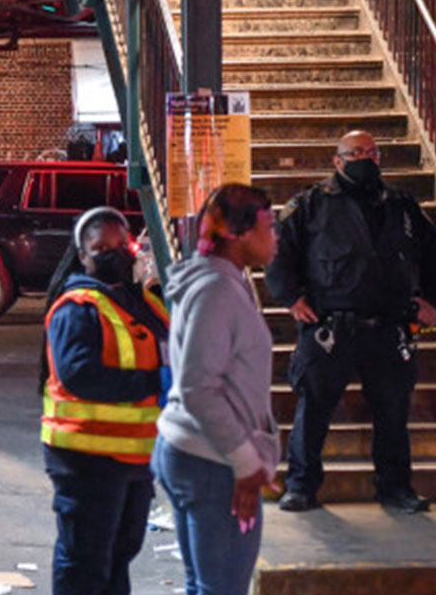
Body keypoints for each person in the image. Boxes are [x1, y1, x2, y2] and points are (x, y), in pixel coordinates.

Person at [265, 130, 436, 514]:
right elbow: (277, 254)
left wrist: (434, 301)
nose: (364, 159)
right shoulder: (311, 205)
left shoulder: (401, 206)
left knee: (393, 414)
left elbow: (433, 255)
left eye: (371, 152)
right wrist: (290, 298)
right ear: (337, 160)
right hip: (330, 326)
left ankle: (396, 488)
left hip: (388, 325)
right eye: (355, 153)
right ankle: (301, 486)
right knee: (313, 412)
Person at [154, 184, 281, 595]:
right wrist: (244, 460)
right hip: (211, 460)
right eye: (268, 226)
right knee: (221, 588)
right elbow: (198, 386)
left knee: (207, 586)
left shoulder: (220, 282)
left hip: (200, 454)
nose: (275, 236)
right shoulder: (217, 290)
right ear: (238, 234)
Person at [41, 206, 169, 595]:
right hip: (86, 456)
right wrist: (153, 382)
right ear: (82, 256)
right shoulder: (78, 307)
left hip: (135, 457)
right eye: (101, 248)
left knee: (119, 555)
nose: (114, 254)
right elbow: (79, 375)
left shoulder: (143, 303)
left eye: (120, 245)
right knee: (85, 562)